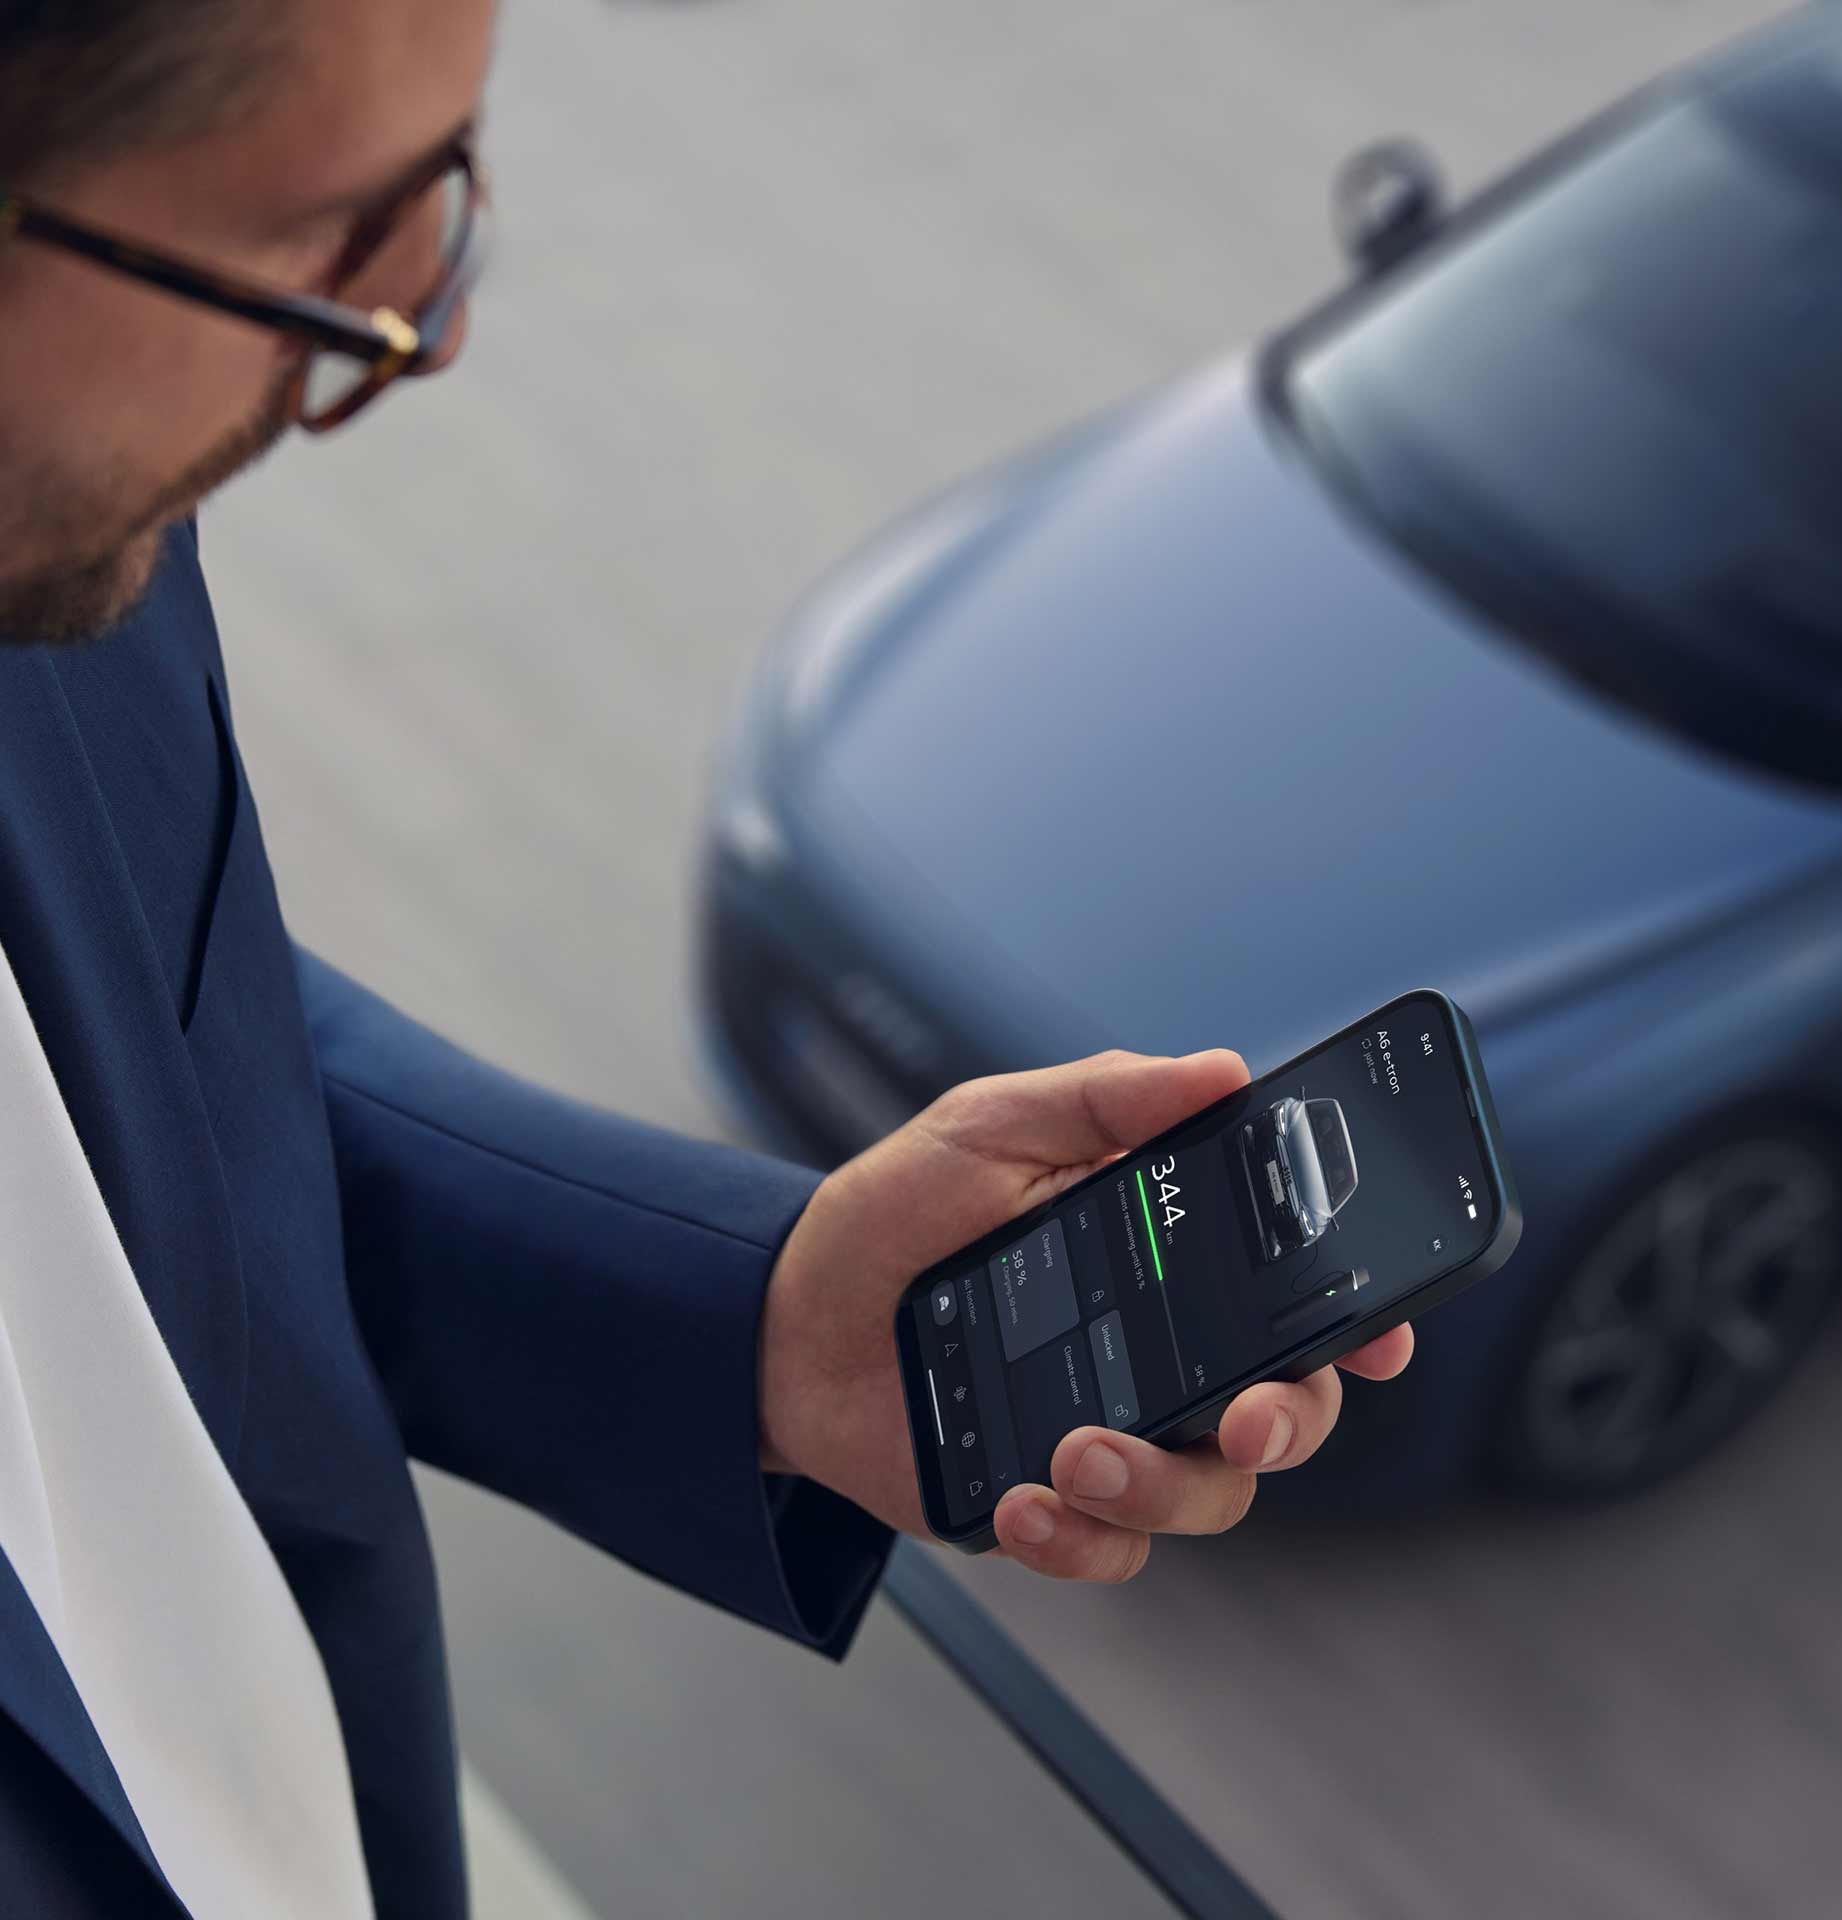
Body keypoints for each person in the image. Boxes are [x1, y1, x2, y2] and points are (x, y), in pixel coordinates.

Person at [0, 0, 1414, 1913]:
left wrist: (766, 1328)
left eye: (445, 186)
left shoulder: (59, 530)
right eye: (322, 233)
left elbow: (162, 1056)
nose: (424, 322)